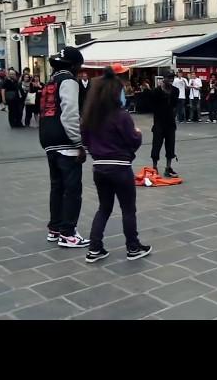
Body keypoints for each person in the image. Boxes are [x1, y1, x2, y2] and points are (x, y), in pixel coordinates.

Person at [81, 67, 152, 263]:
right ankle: (133, 247)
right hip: (120, 167)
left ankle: (94, 248)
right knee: (128, 209)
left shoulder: (90, 115)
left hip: (99, 167)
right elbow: (132, 140)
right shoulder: (121, 115)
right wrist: (138, 133)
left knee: (104, 208)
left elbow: (85, 141)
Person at [39, 46, 90, 248]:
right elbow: (69, 114)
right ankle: (68, 233)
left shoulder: (50, 82)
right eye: (79, 65)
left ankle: (55, 228)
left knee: (57, 187)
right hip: (65, 141)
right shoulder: (68, 81)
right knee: (72, 189)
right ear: (73, 65)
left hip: (48, 140)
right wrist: (79, 143)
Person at [151, 72, 180, 178]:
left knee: (170, 146)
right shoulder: (156, 91)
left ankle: (168, 168)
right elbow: (152, 106)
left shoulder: (175, 91)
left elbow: (175, 106)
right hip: (159, 122)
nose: (171, 80)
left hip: (170, 123)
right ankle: (154, 167)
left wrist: (173, 117)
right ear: (164, 79)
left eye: (172, 78)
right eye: (169, 78)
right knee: (156, 145)